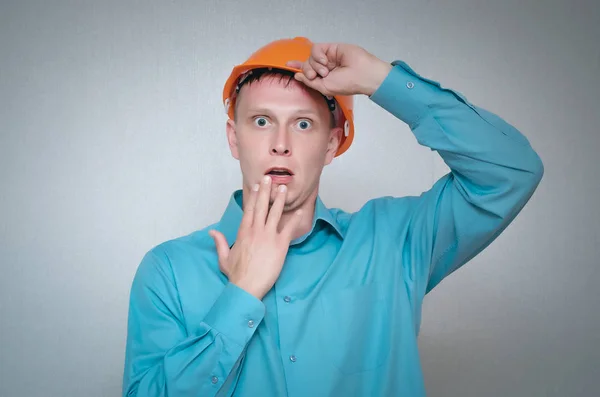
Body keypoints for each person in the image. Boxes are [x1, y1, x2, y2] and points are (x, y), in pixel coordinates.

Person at [122, 36, 544, 396]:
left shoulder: (395, 242)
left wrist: (382, 80)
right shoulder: (168, 272)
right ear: (235, 138)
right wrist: (241, 296)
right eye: (262, 121)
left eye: (303, 124)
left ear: (332, 142)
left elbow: (511, 171)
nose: (281, 143)